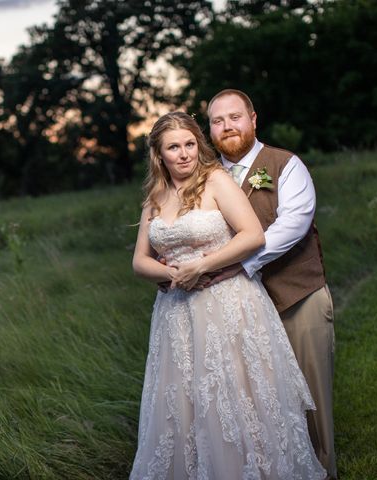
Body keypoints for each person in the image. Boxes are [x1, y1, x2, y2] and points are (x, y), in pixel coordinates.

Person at [129, 111, 326, 479]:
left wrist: (202, 267)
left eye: (190, 144)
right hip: (176, 314)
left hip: (227, 304)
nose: (184, 153)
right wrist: (171, 272)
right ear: (159, 154)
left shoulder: (217, 181)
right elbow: (139, 261)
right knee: (186, 405)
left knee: (237, 396)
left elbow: (252, 235)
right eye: (174, 147)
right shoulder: (155, 197)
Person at [204, 89, 336, 479]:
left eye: (235, 117)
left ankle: (325, 472)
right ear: (209, 128)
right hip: (236, 308)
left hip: (297, 298)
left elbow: (294, 223)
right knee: (256, 401)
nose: (228, 126)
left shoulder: (285, 164)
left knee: (311, 399)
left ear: (253, 119)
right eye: (217, 120)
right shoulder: (206, 175)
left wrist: (239, 264)